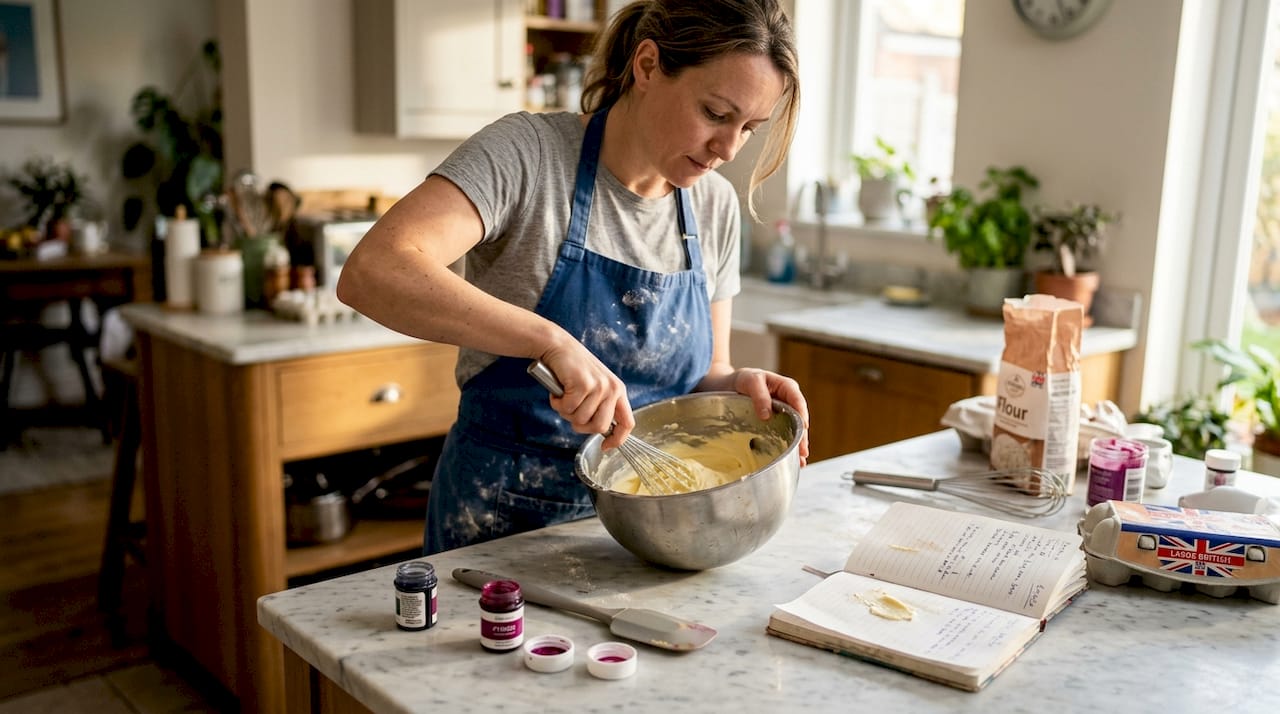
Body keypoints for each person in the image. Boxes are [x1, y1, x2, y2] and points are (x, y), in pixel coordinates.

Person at [337, 0, 809, 555]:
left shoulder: (713, 206)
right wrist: (550, 340)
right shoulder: (529, 156)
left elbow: (703, 374)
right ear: (649, 65)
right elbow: (374, 269)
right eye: (714, 113)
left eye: (749, 128)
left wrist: (735, 387)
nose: (728, 149)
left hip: (652, 530)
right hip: (502, 524)